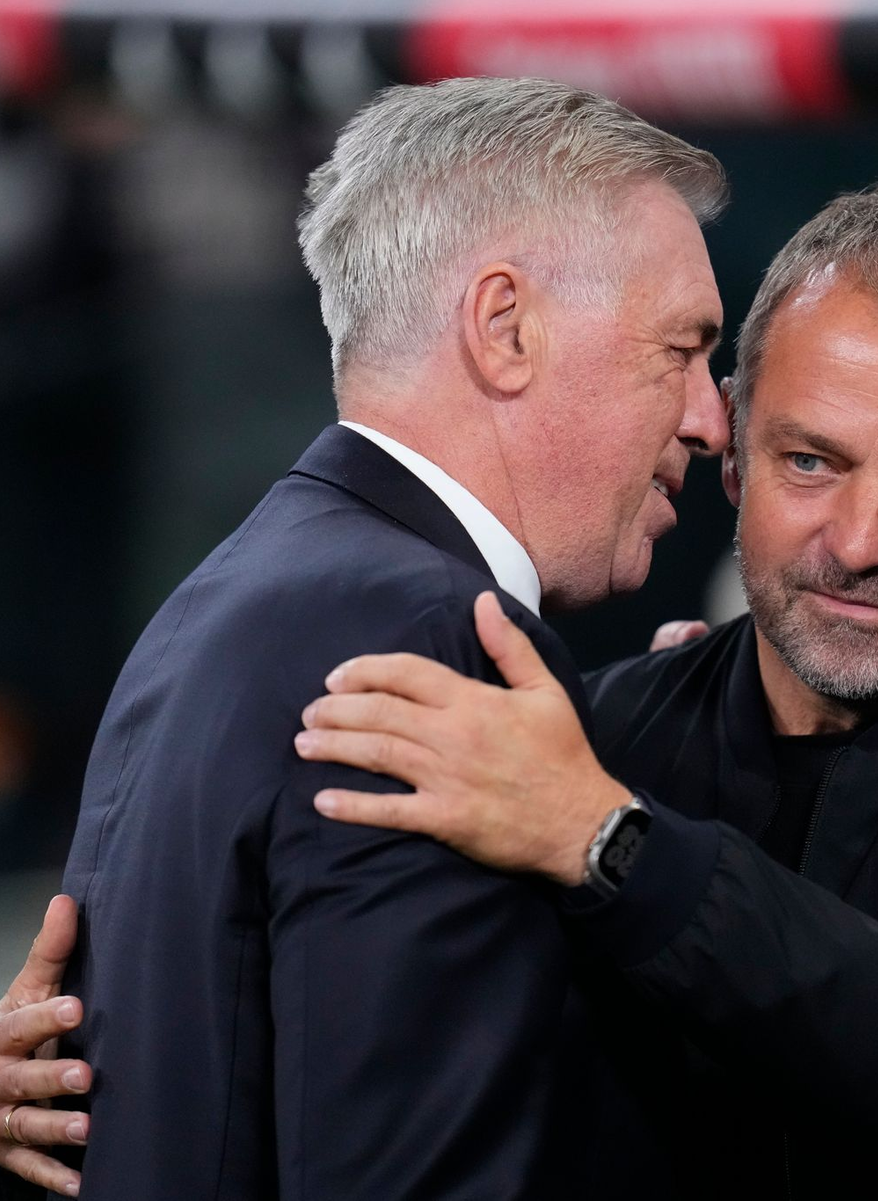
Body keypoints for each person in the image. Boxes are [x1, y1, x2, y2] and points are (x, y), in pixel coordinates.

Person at [4, 186, 878, 1198]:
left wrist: (611, 844)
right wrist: (75, 1076)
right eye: (810, 461)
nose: (859, 539)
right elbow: (342, 1074)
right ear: (729, 450)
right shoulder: (582, 739)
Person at [0, 76, 729, 1199]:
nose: (710, 419)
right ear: (505, 327)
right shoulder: (438, 644)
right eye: (681, 349)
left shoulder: (227, 597)